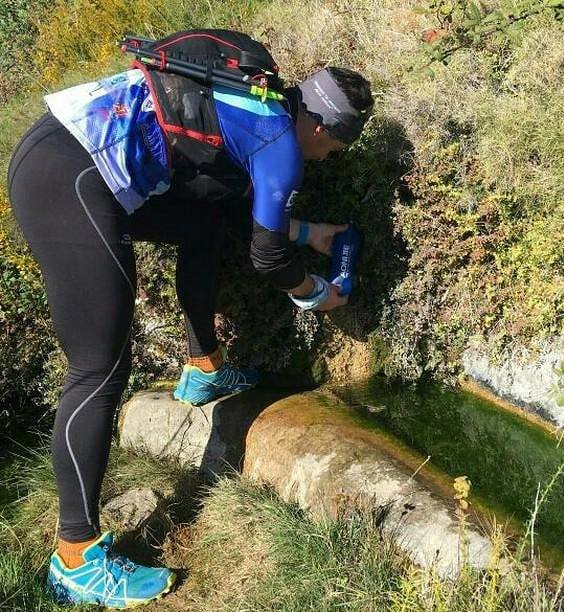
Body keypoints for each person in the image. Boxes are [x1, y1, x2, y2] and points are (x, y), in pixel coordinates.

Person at [8, 29, 373, 608]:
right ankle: (76, 558)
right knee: (99, 370)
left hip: (61, 153)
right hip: (70, 179)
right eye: (334, 150)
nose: (328, 158)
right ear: (324, 128)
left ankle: (205, 366)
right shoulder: (281, 146)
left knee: (203, 222)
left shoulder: (258, 96)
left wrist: (310, 232)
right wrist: (317, 294)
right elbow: (268, 258)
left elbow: (228, 212)